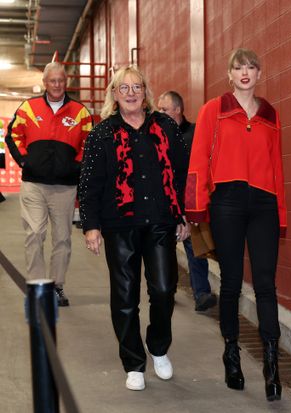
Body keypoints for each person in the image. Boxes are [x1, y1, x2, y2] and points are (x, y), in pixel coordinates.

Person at [78, 65, 189, 391]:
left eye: (136, 87)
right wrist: (91, 226)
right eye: (124, 88)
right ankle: (134, 362)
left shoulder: (166, 126)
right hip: (119, 224)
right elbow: (89, 183)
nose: (130, 93)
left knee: (164, 289)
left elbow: (182, 174)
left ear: (145, 93)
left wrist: (182, 215)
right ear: (114, 94)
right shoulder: (101, 134)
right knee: (125, 297)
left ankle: (158, 347)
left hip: (160, 222)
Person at [185, 48, 287, 401]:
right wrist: (195, 209)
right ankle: (231, 353)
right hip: (226, 202)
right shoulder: (213, 109)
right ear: (229, 74)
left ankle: (272, 365)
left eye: (251, 67)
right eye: (238, 67)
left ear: (259, 73)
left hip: (264, 205)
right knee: (230, 283)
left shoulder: (271, 114)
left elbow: (277, 166)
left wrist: (282, 213)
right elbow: (198, 159)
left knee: (265, 285)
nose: (245, 72)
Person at [5, 62, 93, 306]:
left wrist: (76, 166)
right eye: (52, 81)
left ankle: (57, 286)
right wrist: (24, 160)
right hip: (34, 184)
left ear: (66, 82)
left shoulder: (80, 112)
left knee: (63, 238)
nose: (57, 85)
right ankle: (37, 287)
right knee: (34, 234)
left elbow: (89, 143)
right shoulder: (29, 108)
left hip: (65, 187)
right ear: (45, 83)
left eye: (61, 81)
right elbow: (13, 135)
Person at [158, 91, 217, 311]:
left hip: (189, 202)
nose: (160, 113)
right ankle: (166, 290)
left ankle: (201, 293)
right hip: (164, 203)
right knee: (164, 251)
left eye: (164, 109)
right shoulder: (157, 136)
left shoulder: (195, 133)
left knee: (195, 249)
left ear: (178, 110)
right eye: (159, 109)